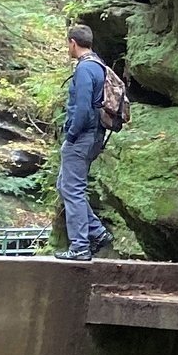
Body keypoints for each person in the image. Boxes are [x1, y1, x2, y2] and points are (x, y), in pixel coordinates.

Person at [57, 25, 114, 263]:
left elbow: (82, 108)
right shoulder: (98, 65)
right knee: (65, 185)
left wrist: (70, 135)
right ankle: (97, 232)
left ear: (73, 43)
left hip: (81, 137)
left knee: (73, 190)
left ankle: (80, 246)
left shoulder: (84, 69)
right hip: (95, 136)